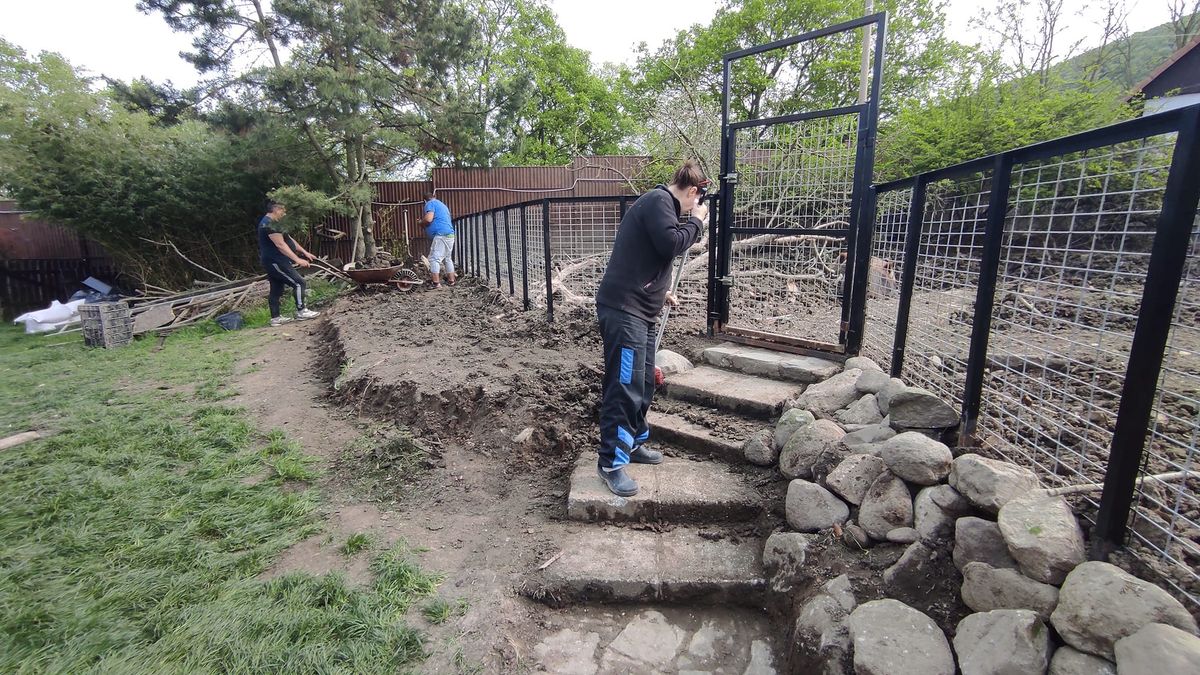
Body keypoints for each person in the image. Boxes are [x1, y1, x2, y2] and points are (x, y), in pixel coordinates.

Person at [593, 160, 710, 496]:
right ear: (691, 191)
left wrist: (662, 291)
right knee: (624, 384)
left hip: (641, 309)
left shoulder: (663, 208)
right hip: (624, 309)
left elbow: (646, 257)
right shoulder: (660, 202)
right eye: (695, 202)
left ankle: (632, 444)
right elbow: (670, 245)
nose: (693, 208)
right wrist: (698, 223)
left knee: (643, 380)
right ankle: (610, 463)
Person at [256, 201, 320, 327]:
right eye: (283, 211)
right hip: (276, 261)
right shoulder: (269, 224)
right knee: (299, 282)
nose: (284, 214)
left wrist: (305, 252)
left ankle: (276, 318)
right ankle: (301, 311)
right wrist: (297, 260)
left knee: (276, 288)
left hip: (274, 260)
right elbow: (280, 245)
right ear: (275, 209)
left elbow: (288, 239)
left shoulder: (274, 223)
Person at [423, 190, 457, 287]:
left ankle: (436, 283)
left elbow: (428, 219)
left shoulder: (430, 203)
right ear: (434, 196)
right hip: (450, 234)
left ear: (425, 201)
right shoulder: (442, 205)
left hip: (441, 234)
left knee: (434, 259)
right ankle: (451, 281)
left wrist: (421, 222)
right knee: (447, 258)